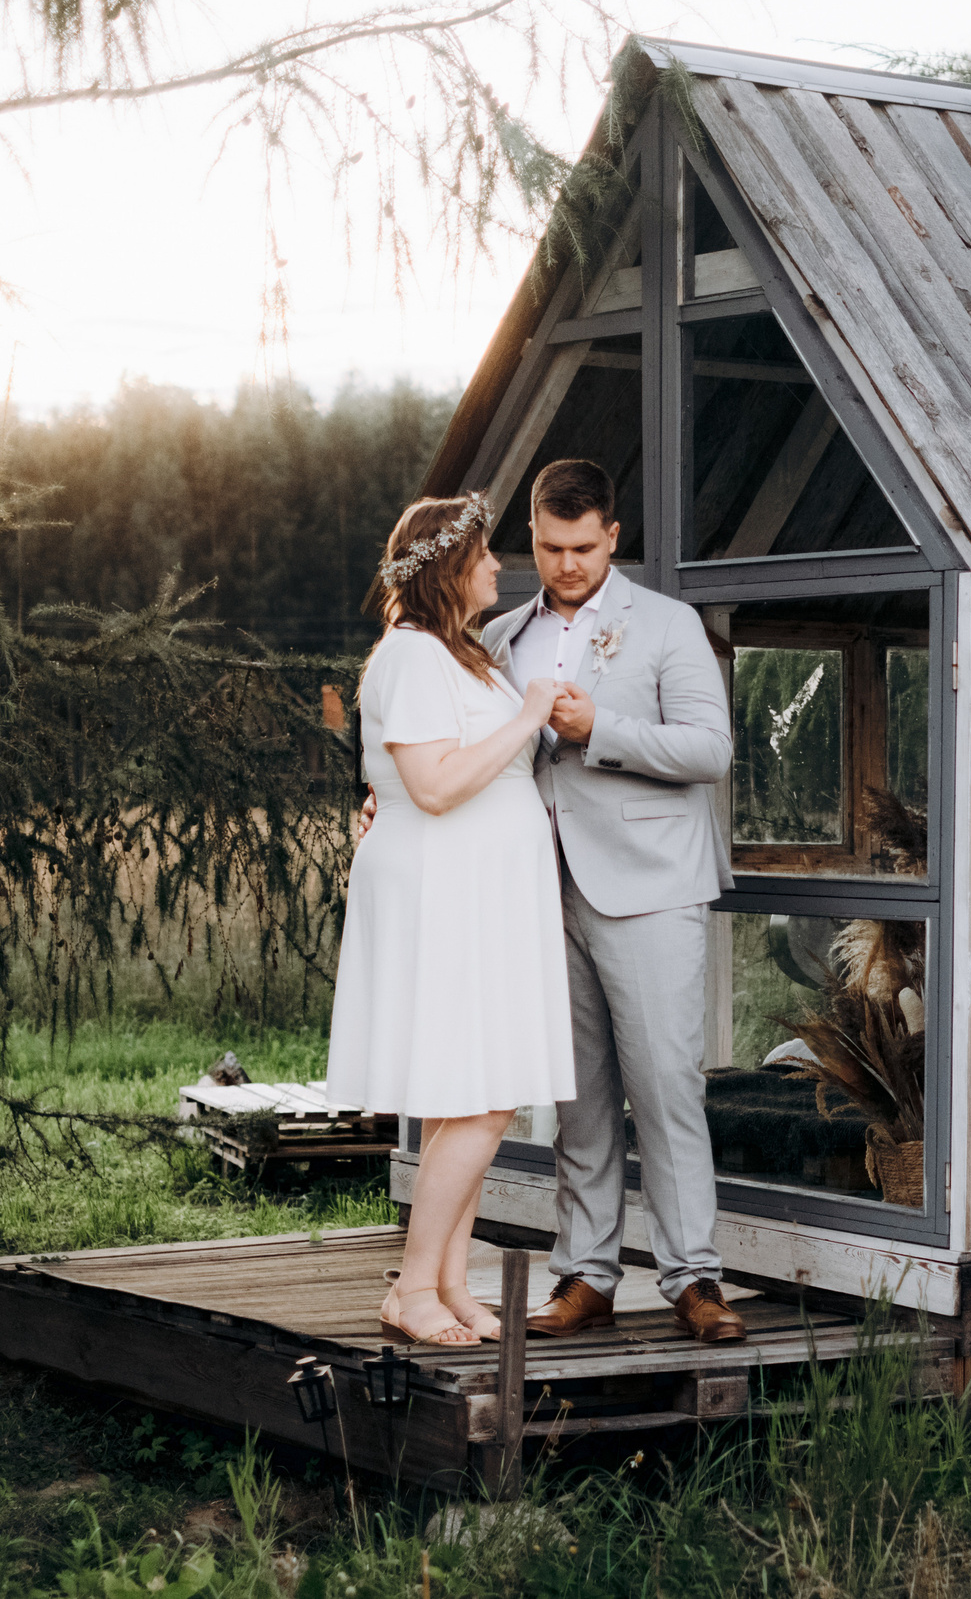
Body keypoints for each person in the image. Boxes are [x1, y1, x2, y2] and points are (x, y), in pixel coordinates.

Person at [484, 459, 745, 1344]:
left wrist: (604, 731)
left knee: (666, 1086)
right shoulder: (498, 635)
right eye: (551, 548)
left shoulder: (669, 626)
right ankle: (585, 1274)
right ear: (532, 537)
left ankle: (694, 1277)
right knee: (579, 1095)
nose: (566, 564)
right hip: (540, 890)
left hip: (650, 885)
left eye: (583, 547)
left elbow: (712, 749)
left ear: (613, 537)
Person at [326, 493, 574, 1348]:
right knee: (483, 1096)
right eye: (484, 554)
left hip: (478, 897)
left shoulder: (454, 655)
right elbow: (433, 786)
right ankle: (412, 1288)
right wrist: (531, 715)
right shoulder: (410, 657)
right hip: (444, 897)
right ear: (447, 567)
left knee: (462, 1094)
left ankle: (449, 1281)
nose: (498, 566)